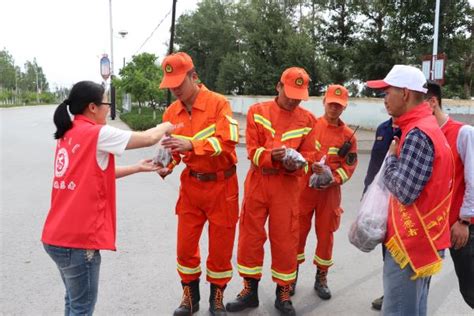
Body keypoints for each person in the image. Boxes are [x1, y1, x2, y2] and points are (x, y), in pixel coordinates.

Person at [41, 81, 174, 315]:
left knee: (73, 302)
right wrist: (166, 125)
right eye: (106, 103)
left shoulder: (69, 132)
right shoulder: (96, 133)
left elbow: (92, 174)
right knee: (81, 308)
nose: (108, 108)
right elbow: (148, 138)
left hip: (56, 237)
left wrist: (136, 168)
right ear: (93, 107)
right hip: (78, 242)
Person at [226, 67, 316, 316]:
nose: (294, 99)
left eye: (300, 95)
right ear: (278, 87)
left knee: (286, 239)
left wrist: (294, 163)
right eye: (290, 93)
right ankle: (249, 291)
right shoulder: (258, 111)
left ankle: (283, 294)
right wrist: (270, 156)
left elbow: (309, 156)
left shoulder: (308, 120)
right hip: (259, 182)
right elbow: (252, 150)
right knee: (250, 238)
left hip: (287, 186)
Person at [367, 65, 454, 316]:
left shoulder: (417, 133)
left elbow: (405, 192)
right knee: (413, 309)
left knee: (399, 310)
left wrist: (391, 159)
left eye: (387, 92)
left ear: (405, 93)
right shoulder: (425, 126)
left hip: (412, 243)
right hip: (422, 238)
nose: (384, 99)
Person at [157, 52, 240, 316]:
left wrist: (192, 144)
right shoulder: (171, 112)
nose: (175, 90)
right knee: (184, 247)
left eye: (179, 84)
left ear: (194, 77)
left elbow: (228, 141)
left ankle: (216, 297)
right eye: (170, 86)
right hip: (192, 186)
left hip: (222, 185)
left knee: (220, 247)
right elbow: (173, 152)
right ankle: (190, 297)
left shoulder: (218, 104)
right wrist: (165, 166)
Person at [294, 84, 358, 300]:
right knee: (297, 233)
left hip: (329, 194)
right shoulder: (310, 127)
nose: (334, 108)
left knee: (325, 236)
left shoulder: (349, 136)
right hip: (305, 189)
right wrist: (309, 167)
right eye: (331, 103)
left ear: (344, 108)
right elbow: (298, 155)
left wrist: (333, 178)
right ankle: (290, 276)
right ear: (324, 102)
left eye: (338, 105)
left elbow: (349, 166)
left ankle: (321, 277)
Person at [425, 80, 474, 309]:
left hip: (460, 226)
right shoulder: (426, 135)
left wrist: (465, 221)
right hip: (434, 226)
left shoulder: (463, 133)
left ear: (432, 102)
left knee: (470, 288)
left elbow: (473, 180)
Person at [365, 117, 401, 311]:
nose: (387, 100)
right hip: (379, 198)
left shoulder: (410, 129)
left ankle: (395, 296)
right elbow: (374, 161)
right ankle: (390, 293)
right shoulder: (382, 128)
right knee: (386, 250)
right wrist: (366, 190)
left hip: (400, 200)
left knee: (398, 251)